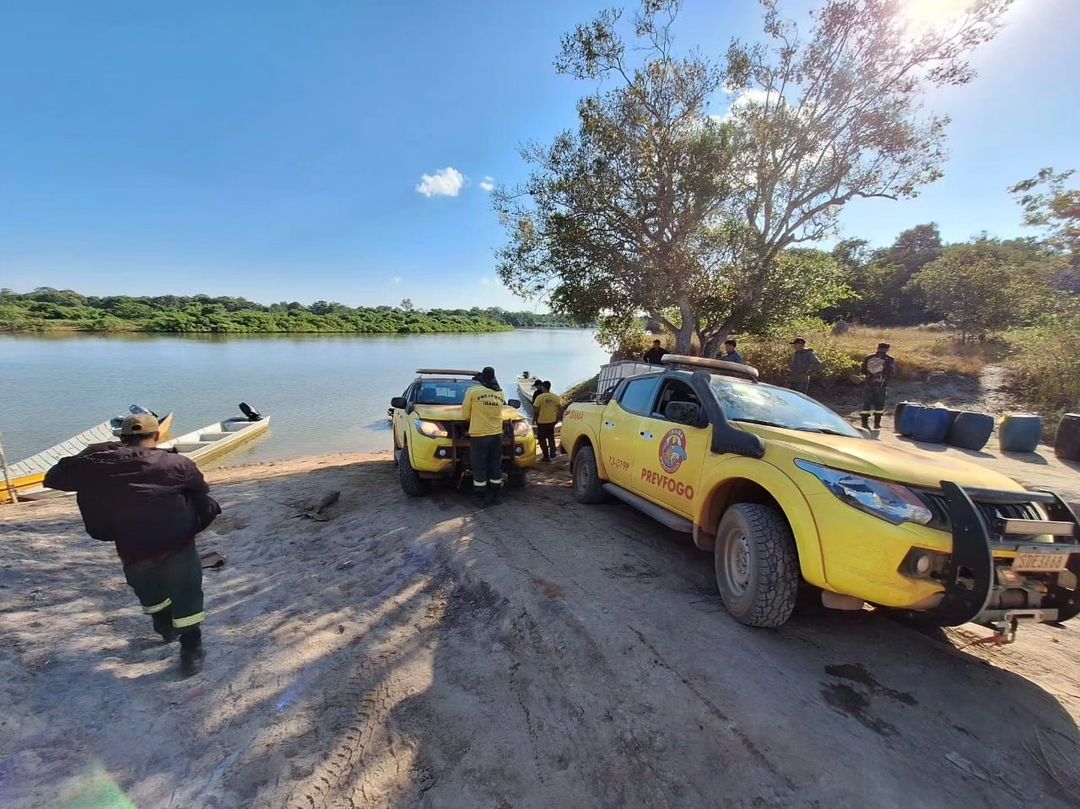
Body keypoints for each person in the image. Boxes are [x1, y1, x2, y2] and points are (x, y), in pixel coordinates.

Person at [43, 413, 220, 678]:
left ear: (121, 438)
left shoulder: (95, 463)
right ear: (157, 436)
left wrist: (88, 452)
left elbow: (52, 479)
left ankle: (163, 626)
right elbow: (201, 488)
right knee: (186, 589)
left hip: (131, 543)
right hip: (175, 541)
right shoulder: (176, 463)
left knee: (146, 585)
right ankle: (191, 650)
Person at [462, 366, 507, 506]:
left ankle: (480, 497)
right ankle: (496, 496)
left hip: (479, 435)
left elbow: (465, 414)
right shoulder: (500, 394)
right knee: (495, 465)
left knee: (479, 466)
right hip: (496, 435)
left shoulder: (473, 391)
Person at [860, 342, 896, 430]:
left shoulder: (869, 357)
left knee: (866, 404)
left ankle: (864, 423)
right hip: (881, 385)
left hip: (869, 383)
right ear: (887, 349)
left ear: (877, 348)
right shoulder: (889, 359)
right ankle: (876, 424)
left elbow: (863, 370)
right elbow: (891, 372)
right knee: (879, 405)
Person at [533, 381, 561, 462]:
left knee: (541, 439)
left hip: (542, 422)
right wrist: (557, 418)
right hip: (552, 421)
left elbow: (536, 410)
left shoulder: (539, 397)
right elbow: (559, 408)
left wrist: (535, 419)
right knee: (550, 436)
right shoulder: (555, 397)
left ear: (542, 387)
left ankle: (546, 456)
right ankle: (553, 452)